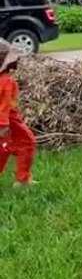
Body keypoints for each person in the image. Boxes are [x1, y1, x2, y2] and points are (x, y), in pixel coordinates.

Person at [0, 40, 37, 187]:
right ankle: (22, 180)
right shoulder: (7, 81)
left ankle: (23, 178)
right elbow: (4, 105)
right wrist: (3, 125)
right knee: (27, 142)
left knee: (5, 147)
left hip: (6, 121)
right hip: (9, 121)